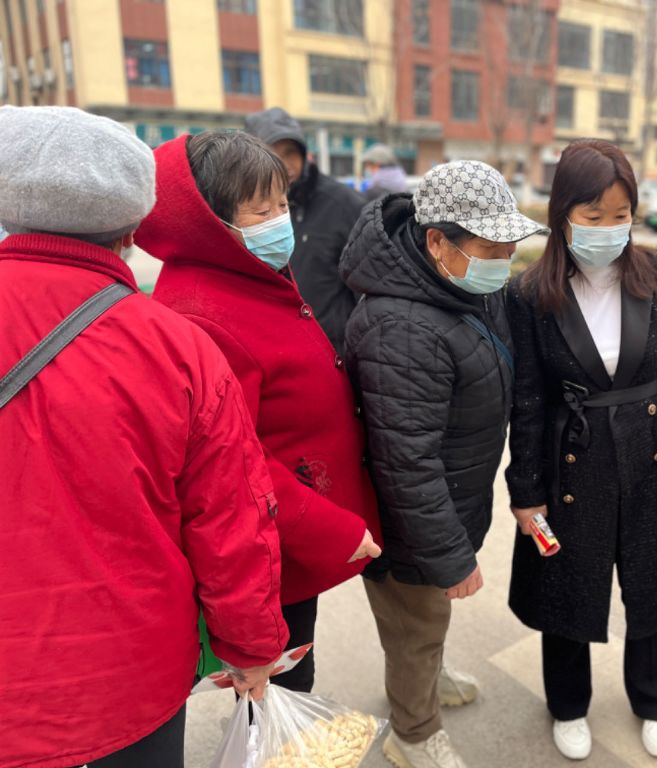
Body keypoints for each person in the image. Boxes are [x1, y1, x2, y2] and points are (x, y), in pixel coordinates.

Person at [0, 106, 287, 768]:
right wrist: (251, 646)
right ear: (132, 228)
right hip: (130, 680)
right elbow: (230, 521)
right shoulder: (177, 348)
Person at [136, 131, 382, 696]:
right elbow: (231, 462)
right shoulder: (204, 313)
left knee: (286, 668)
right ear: (209, 221)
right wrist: (327, 527)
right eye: (261, 210)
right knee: (278, 683)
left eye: (283, 204)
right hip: (271, 539)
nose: (280, 222)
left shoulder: (241, 273)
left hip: (287, 527)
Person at [505, 139, 657, 761]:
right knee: (567, 587)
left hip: (653, 448)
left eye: (620, 215)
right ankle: (568, 704)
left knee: (654, 585)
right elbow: (526, 400)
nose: (607, 228)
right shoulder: (529, 293)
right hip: (572, 455)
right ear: (562, 214)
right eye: (592, 215)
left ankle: (655, 700)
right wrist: (526, 492)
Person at [341, 160, 548, 768]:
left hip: (448, 504)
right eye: (491, 249)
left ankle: (426, 679)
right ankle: (413, 731)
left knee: (425, 620)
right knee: (414, 627)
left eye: (509, 249)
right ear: (437, 241)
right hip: (409, 527)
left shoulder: (457, 289)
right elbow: (406, 464)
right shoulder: (402, 328)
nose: (504, 262)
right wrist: (450, 556)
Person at [244, 107, 366, 354]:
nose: (285, 164)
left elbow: (366, 288)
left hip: (334, 353)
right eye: (272, 154)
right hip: (273, 349)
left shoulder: (343, 205)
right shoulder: (243, 211)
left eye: (290, 152)